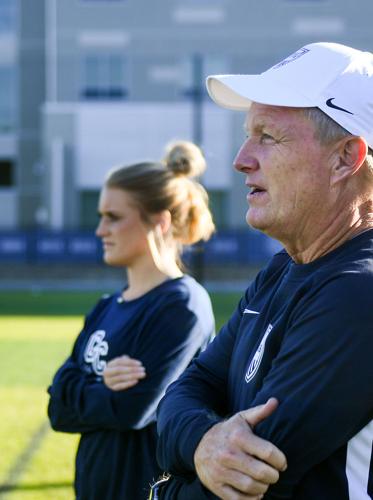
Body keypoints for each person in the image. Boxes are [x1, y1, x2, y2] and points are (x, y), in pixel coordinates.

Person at [155, 42, 373, 499]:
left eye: (267, 137)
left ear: (344, 158)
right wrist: (201, 443)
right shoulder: (282, 270)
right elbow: (189, 388)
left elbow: (251, 483)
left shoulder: (358, 293)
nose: (241, 159)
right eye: (247, 134)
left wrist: (167, 489)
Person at [47, 141, 216, 500]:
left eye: (114, 217)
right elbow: (56, 408)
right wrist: (99, 385)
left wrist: (80, 384)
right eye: (100, 216)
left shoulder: (181, 307)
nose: (100, 230)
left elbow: (131, 410)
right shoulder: (106, 306)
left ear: (160, 221)